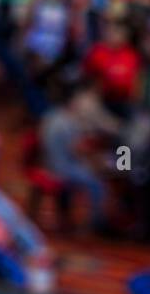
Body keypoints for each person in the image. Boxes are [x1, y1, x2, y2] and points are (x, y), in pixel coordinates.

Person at [41, 85, 114, 229]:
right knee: (98, 185)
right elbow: (77, 150)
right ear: (71, 102)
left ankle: (73, 219)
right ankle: (97, 223)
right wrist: (100, 158)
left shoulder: (50, 117)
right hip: (64, 169)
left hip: (51, 165)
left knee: (93, 172)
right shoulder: (66, 122)